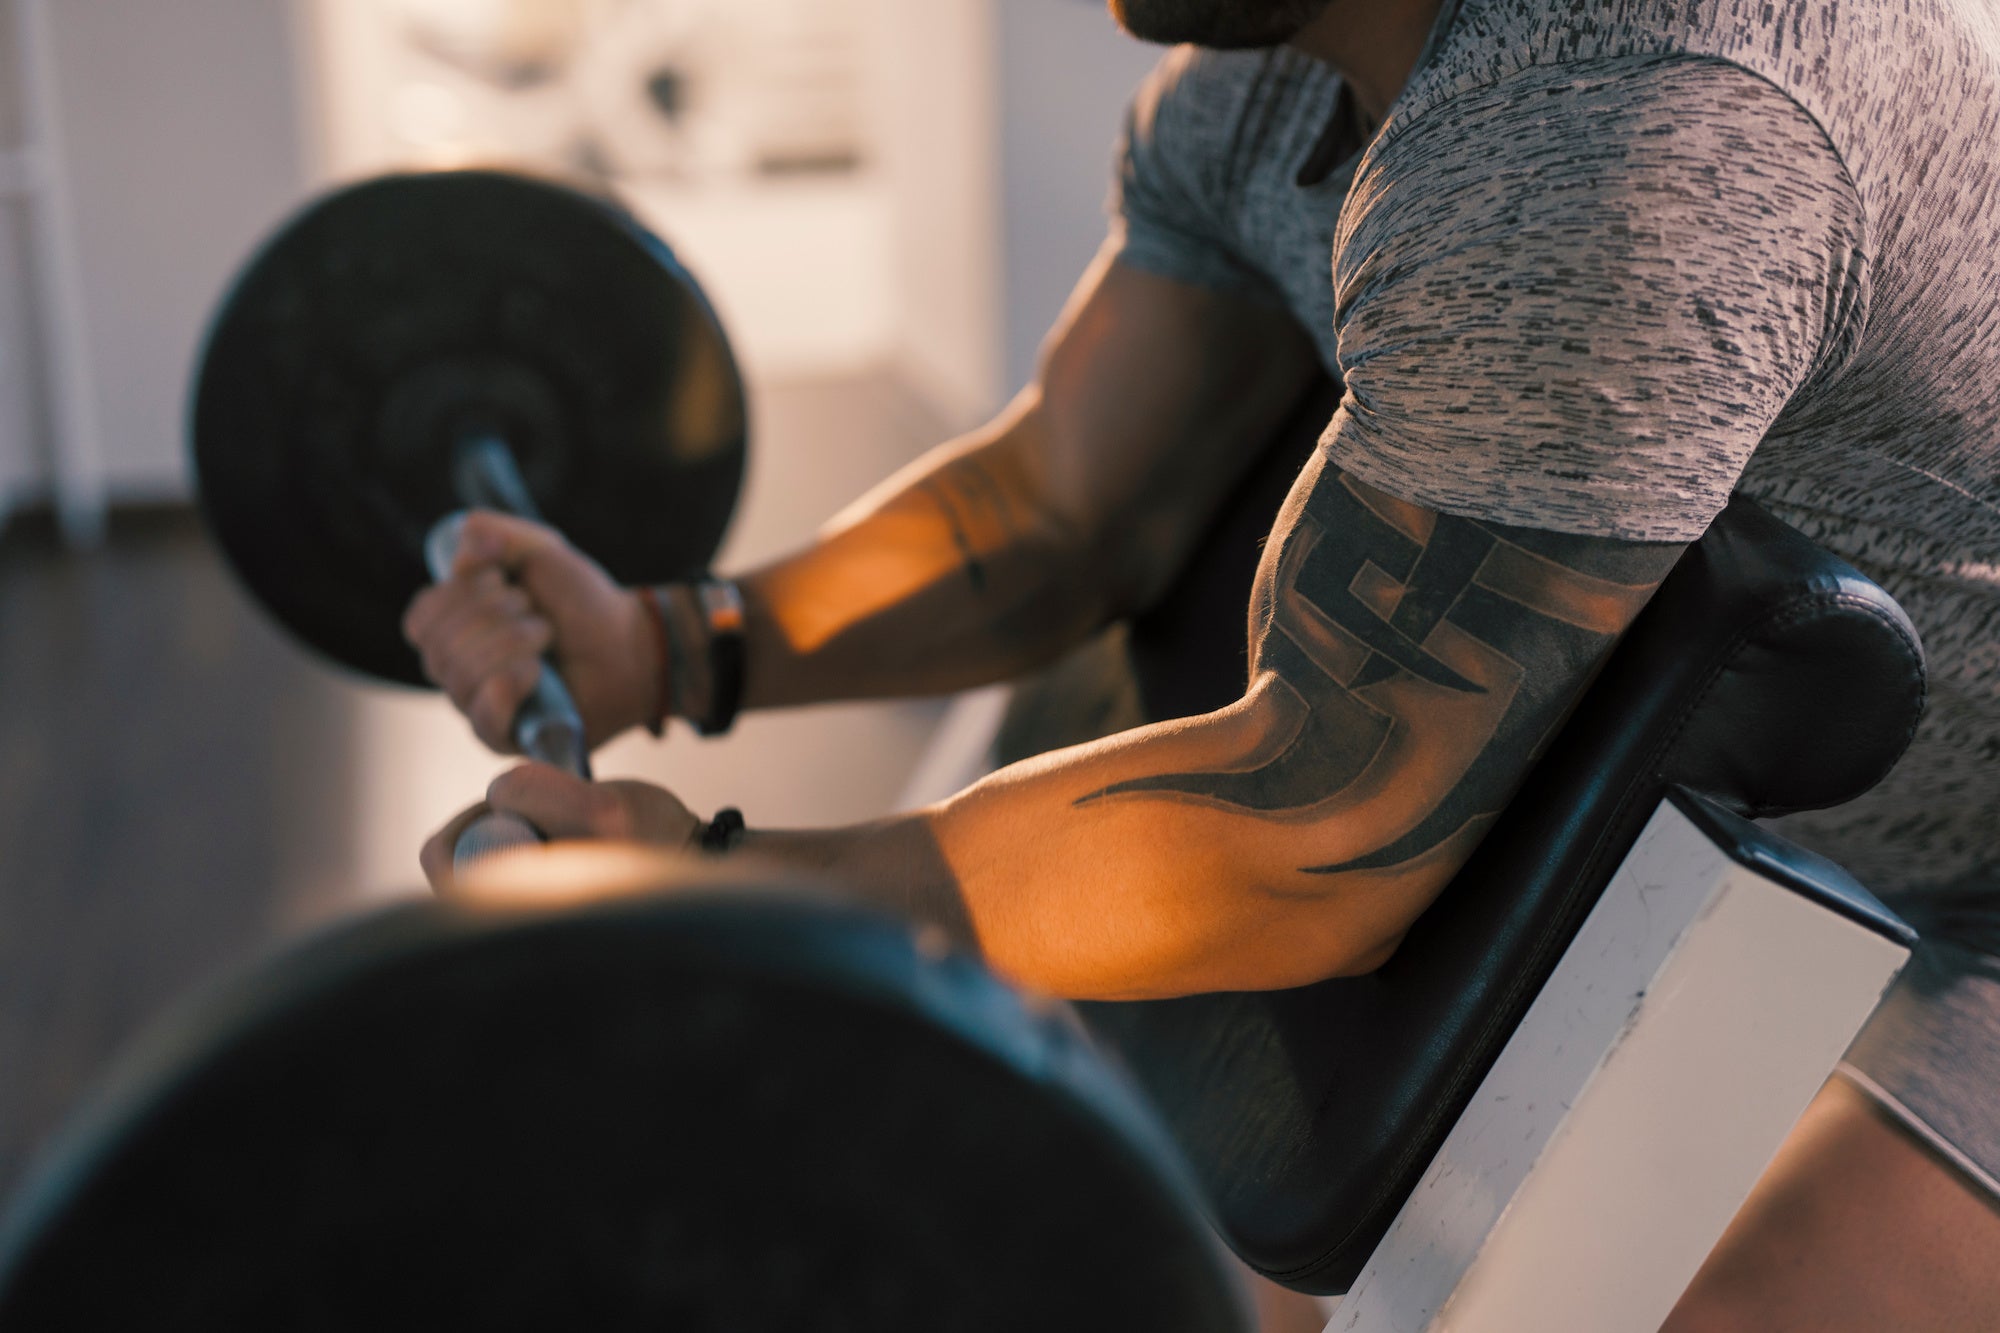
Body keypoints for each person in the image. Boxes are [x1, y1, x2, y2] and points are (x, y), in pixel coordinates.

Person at [405, 0, 2000, 1326]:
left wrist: (718, 891)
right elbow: (1056, 507)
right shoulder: (1268, 78)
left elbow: (1308, 828)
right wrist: (672, 642)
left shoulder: (1612, 133)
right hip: (1836, 809)